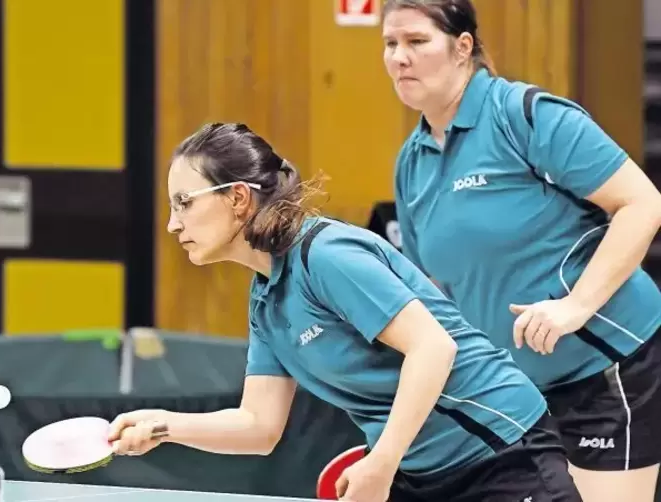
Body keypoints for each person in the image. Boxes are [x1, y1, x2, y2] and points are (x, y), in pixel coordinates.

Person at [108, 122, 583, 502]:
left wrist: (381, 464)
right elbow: (259, 426)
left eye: (184, 204)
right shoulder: (265, 300)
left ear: (237, 198)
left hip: (500, 453)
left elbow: (433, 347)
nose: (173, 223)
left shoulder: (327, 254)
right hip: (419, 473)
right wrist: (164, 425)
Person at [382, 1, 661, 501]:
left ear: (462, 47)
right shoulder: (412, 162)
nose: (399, 57)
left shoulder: (525, 116)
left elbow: (643, 204)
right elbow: (433, 292)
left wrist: (576, 306)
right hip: (518, 394)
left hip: (606, 368)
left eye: (417, 42)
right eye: (390, 44)